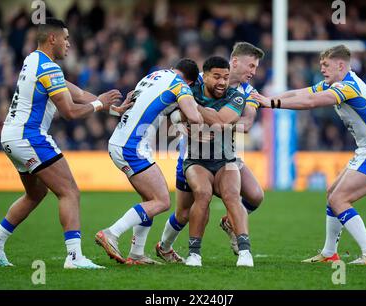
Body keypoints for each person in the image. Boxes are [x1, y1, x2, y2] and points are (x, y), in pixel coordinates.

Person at [0, 18, 125, 269]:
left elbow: (77, 94)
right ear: (52, 39)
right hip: (30, 136)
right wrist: (100, 103)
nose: (69, 44)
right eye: (66, 38)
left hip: (11, 136)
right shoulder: (49, 68)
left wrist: (111, 109)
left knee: (35, 193)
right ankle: (74, 257)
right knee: (69, 191)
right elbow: (69, 111)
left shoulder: (33, 60)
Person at [252, 45, 366, 265]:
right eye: (321, 64)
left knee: (340, 199)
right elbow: (301, 93)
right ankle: (330, 253)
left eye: (326, 65)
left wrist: (271, 103)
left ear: (341, 65)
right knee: (333, 194)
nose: (321, 68)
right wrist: (267, 98)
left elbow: (311, 102)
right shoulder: (336, 83)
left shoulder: (349, 87)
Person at [156, 42, 265, 262]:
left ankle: (230, 224)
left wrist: (207, 117)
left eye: (256, 67)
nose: (253, 72)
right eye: (251, 66)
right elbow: (174, 109)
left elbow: (247, 123)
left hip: (226, 152)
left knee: (255, 195)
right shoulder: (197, 81)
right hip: (192, 154)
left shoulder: (246, 92)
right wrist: (180, 120)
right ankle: (165, 245)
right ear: (235, 62)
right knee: (185, 212)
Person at [94, 59, 203, 265]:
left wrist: (175, 114)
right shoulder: (181, 86)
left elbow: (135, 107)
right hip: (132, 147)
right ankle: (111, 233)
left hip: (121, 140)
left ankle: (136, 254)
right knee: (162, 201)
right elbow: (195, 117)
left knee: (149, 199)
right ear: (190, 82)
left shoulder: (152, 76)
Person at [176, 56, 252, 267]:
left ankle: (245, 251)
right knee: (202, 194)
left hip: (226, 160)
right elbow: (178, 120)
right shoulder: (191, 92)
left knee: (232, 195)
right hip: (196, 160)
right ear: (205, 76)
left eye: (226, 77)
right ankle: (194, 254)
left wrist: (196, 109)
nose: (222, 82)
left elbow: (221, 121)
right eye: (216, 76)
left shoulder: (236, 97)